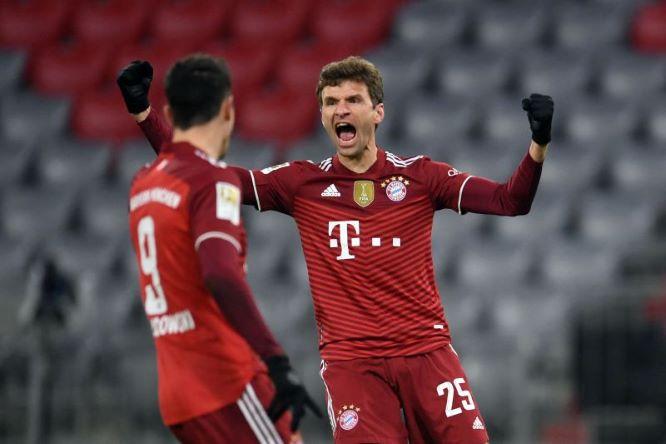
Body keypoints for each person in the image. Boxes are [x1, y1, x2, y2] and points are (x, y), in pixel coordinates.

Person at [119, 55, 554, 444]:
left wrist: (538, 144)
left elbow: (510, 201)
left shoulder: (422, 177)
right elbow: (206, 175)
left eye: (352, 100)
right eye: (330, 102)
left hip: (426, 353)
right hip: (352, 365)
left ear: (378, 112)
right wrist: (145, 115)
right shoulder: (300, 182)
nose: (340, 110)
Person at [122, 55, 320, 444]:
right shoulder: (217, 181)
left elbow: (183, 167)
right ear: (228, 108)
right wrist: (276, 360)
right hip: (226, 381)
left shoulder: (145, 182)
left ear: (170, 111)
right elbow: (220, 271)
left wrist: (144, 117)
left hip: (179, 395)